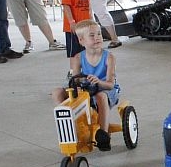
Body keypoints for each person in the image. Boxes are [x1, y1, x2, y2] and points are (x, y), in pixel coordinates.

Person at [51, 20, 120, 151]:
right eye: (92, 35)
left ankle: (103, 135)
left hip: (105, 89)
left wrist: (98, 82)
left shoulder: (109, 57)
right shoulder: (78, 58)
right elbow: (75, 80)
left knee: (100, 96)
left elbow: (110, 84)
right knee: (57, 92)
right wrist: (77, 87)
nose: (97, 38)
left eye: (99, 34)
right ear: (81, 41)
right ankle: (70, 123)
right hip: (86, 89)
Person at [61, 0, 91, 66]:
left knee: (86, 48)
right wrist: (71, 22)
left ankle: (85, 69)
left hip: (85, 23)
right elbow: (66, 5)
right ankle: (73, 71)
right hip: (73, 26)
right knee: (74, 51)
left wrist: (90, 18)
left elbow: (88, 3)